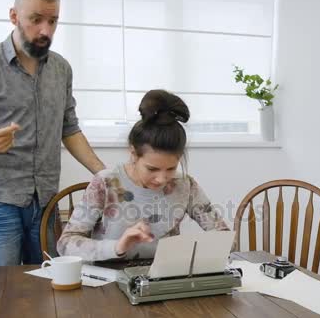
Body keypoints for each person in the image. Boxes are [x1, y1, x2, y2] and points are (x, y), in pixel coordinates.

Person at [0, 0, 105, 266]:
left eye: (53, 21)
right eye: (36, 19)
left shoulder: (61, 69)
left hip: (45, 201)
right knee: (0, 292)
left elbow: (69, 128)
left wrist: (103, 173)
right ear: (14, 16)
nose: (46, 30)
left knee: (49, 291)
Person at [57, 89, 229, 261]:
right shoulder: (106, 183)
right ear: (133, 154)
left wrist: (195, 251)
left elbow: (224, 237)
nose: (162, 179)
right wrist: (117, 247)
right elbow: (65, 244)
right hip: (109, 276)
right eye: (152, 169)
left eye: (170, 169)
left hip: (164, 277)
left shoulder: (185, 185)